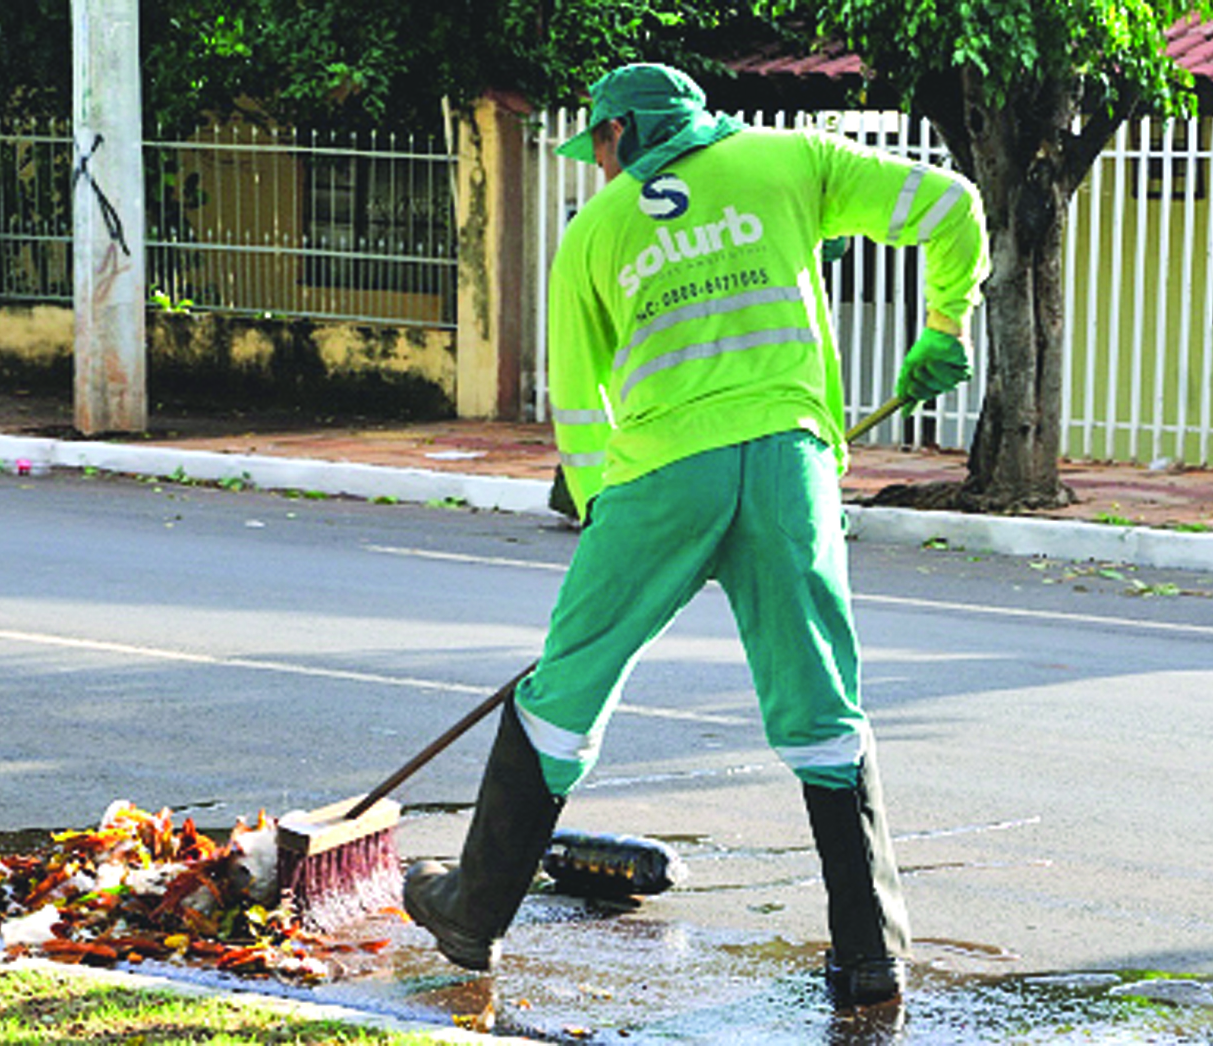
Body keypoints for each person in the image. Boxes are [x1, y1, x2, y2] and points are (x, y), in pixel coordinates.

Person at [404, 62, 989, 1009]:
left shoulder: (592, 231)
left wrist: (603, 526)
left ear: (622, 136)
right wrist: (942, 322)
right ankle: (870, 957)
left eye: (597, 145)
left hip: (658, 480)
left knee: (564, 691)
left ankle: (471, 914)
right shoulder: (788, 161)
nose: (596, 164)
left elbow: (581, 405)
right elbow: (951, 204)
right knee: (821, 706)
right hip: (788, 474)